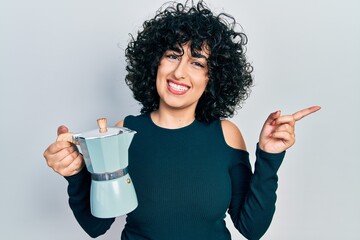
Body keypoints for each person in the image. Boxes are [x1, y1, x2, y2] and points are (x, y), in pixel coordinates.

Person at [43, 1, 320, 239]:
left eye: (197, 63)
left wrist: (269, 158)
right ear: (154, 63)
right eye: (172, 56)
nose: (179, 72)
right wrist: (76, 174)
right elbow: (96, 225)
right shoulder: (123, 134)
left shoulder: (226, 134)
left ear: (213, 78)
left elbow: (251, 228)